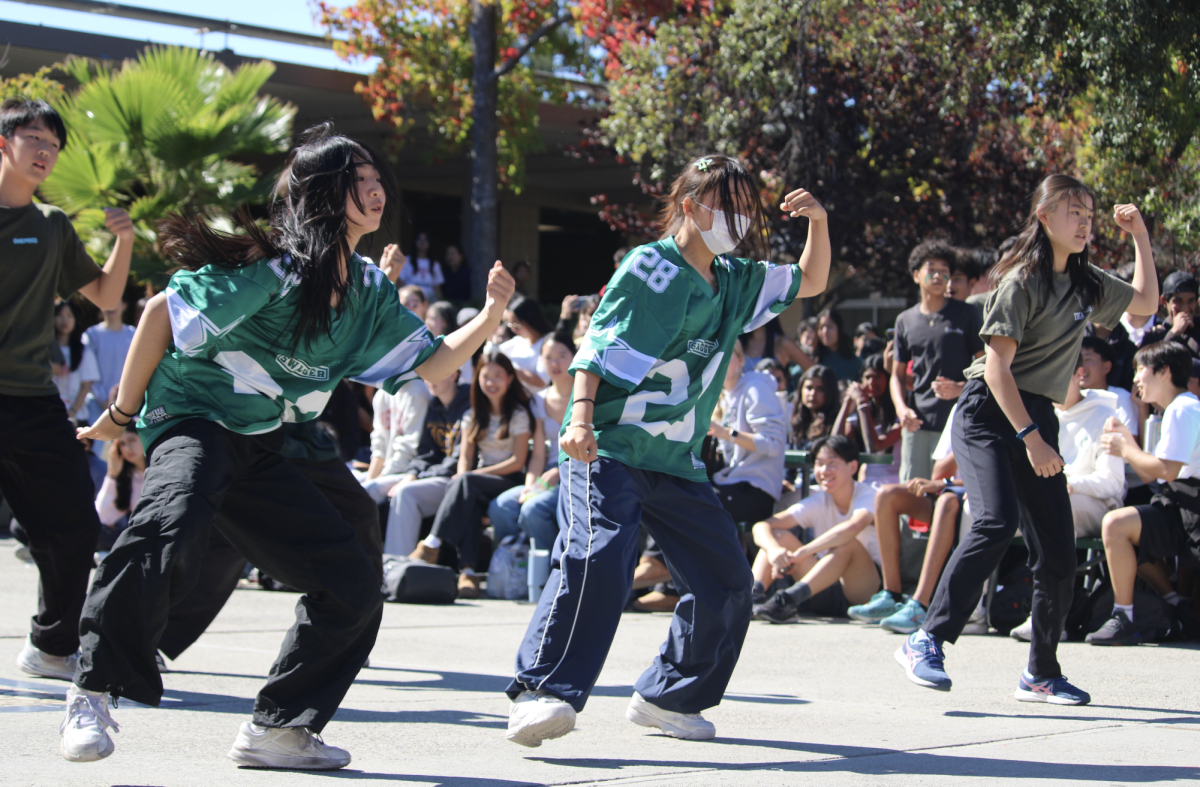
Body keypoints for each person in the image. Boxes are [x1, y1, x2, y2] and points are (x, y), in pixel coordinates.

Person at [62, 122, 514, 768]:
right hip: (197, 411)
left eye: (377, 177)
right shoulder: (274, 267)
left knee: (354, 574)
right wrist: (120, 414)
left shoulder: (366, 288)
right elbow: (162, 311)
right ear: (325, 193)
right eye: (358, 179)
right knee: (175, 515)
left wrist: (491, 317)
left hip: (269, 437)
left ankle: (279, 726)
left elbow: (438, 363)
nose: (376, 188)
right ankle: (92, 687)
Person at [505, 154, 829, 747]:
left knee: (728, 581)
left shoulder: (733, 279)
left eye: (744, 209)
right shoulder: (652, 267)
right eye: (727, 206)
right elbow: (600, 345)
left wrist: (818, 223)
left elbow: (809, 281)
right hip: (608, 447)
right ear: (689, 206)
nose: (738, 220)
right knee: (599, 555)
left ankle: (669, 696)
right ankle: (542, 692)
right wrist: (578, 419)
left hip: (678, 462)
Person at [896, 175, 1159, 706]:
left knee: (1059, 552)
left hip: (1035, 414)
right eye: (1073, 212)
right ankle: (927, 638)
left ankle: (1041, 672)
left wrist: (1141, 237)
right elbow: (996, 370)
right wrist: (1033, 439)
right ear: (1044, 217)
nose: (1085, 222)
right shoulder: (1020, 281)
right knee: (995, 521)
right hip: (987, 413)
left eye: (1090, 213)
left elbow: (1145, 305)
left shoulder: (1087, 283)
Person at [1, 99, 135, 687]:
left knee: (76, 526)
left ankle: (52, 646)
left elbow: (107, 297)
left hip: (31, 399)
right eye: (32, 138)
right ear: (3, 143)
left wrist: (123, 239)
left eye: (52, 143)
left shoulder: (51, 225)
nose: (45, 151)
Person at [1090, 341, 1200, 646]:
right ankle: (1159, 606)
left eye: (1141, 369)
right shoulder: (1177, 409)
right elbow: (1151, 472)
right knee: (1119, 525)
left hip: (1192, 507)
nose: (1136, 377)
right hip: (1181, 503)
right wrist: (1127, 441)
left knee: (1116, 524)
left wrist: (1126, 448)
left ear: (1163, 372)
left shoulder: (1183, 408)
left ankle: (1127, 616)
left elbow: (1165, 471)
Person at [410, 351, 531, 598]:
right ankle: (468, 573)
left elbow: (517, 462)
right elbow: (465, 458)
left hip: (510, 480)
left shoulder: (518, 414)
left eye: (498, 376)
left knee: (467, 483)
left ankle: (433, 542)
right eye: (486, 376)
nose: (492, 382)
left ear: (509, 379)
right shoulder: (473, 414)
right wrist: (462, 477)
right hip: (478, 482)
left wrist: (470, 476)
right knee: (468, 498)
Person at [751, 435, 882, 622]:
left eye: (832, 463)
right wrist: (774, 551)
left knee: (848, 545)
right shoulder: (819, 499)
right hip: (822, 585)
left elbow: (852, 527)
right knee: (778, 536)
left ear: (852, 467)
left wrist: (804, 552)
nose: (824, 470)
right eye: (819, 464)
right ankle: (751, 597)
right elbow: (762, 526)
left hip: (863, 591)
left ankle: (785, 600)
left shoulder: (867, 495)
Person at [891, 238, 984, 485]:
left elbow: (986, 367)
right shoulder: (905, 320)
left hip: (958, 421)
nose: (938, 276)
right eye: (931, 270)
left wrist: (961, 389)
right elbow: (897, 375)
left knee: (948, 494)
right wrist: (901, 409)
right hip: (916, 424)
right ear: (916, 275)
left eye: (945, 272)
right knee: (911, 495)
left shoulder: (967, 313)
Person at [490, 332, 576, 551]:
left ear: (575, 356)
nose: (554, 363)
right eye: (548, 357)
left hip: (577, 473)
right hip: (547, 474)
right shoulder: (539, 399)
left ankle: (551, 574)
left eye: (561, 356)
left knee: (533, 509)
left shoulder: (586, 395)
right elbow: (538, 454)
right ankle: (518, 563)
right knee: (500, 507)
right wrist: (530, 487)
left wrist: (560, 472)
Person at [380, 370, 471, 557]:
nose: (429, 380)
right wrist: (411, 475)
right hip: (432, 476)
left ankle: (395, 565)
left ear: (454, 374)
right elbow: (426, 452)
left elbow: (457, 461)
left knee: (406, 494)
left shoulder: (470, 404)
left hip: (455, 482)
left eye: (436, 373)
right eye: (426, 374)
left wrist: (417, 477)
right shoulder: (434, 405)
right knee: (374, 488)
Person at [707, 340, 788, 529]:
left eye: (727, 353)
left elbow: (773, 444)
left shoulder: (755, 387)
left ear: (741, 360)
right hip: (731, 483)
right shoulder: (724, 397)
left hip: (756, 491)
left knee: (693, 507)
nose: (720, 359)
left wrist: (725, 433)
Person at [360, 377, 431, 503]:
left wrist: (379, 477)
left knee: (366, 492)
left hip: (409, 470)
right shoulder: (382, 394)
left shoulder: (418, 391)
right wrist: (371, 476)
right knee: (349, 484)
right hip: (388, 470)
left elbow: (409, 449)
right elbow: (379, 445)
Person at [834, 354, 902, 466]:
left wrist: (862, 403)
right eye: (867, 377)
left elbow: (874, 446)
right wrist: (848, 402)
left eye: (877, 377)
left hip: (893, 478)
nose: (872, 382)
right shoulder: (862, 412)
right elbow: (836, 442)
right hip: (867, 479)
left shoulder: (899, 413)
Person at [83, 285, 136, 427]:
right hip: (96, 406)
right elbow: (89, 373)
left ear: (124, 305)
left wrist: (125, 403)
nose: (111, 306)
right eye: (108, 301)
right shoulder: (91, 335)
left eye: (116, 300)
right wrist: (103, 401)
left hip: (127, 408)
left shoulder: (134, 334)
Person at [94, 423, 145, 552]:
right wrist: (112, 475)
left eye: (132, 440)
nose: (127, 448)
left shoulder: (163, 469)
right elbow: (102, 517)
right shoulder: (128, 479)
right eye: (121, 444)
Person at [1079, 336, 1139, 440]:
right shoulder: (1068, 400)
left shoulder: (1121, 398)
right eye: (1076, 360)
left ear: (1106, 367)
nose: (1080, 367)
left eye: (1087, 360)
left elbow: (1130, 441)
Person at [52, 301, 101, 422]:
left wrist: (72, 411)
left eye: (69, 315)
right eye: (60, 315)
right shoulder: (44, 350)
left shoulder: (84, 352)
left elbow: (86, 386)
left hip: (76, 417)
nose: (65, 320)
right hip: (49, 412)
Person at [1138, 270, 1200, 359]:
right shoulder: (1155, 336)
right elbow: (1150, 366)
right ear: (1164, 301)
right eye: (1178, 301)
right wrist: (1174, 333)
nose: (1185, 308)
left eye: (1190, 301)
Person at [502, 296, 554, 393]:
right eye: (510, 325)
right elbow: (495, 353)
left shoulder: (548, 343)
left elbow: (542, 381)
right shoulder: (518, 340)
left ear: (530, 319)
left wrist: (510, 369)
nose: (513, 329)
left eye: (516, 324)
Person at [790, 364, 840, 451]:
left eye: (820, 389)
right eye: (809, 388)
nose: (813, 394)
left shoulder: (836, 423)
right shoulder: (796, 420)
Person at [398, 231, 443, 301]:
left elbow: (437, 289)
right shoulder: (406, 261)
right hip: (410, 300)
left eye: (426, 240)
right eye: (419, 239)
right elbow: (400, 284)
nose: (423, 242)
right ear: (415, 242)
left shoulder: (435, 264)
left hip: (429, 301)